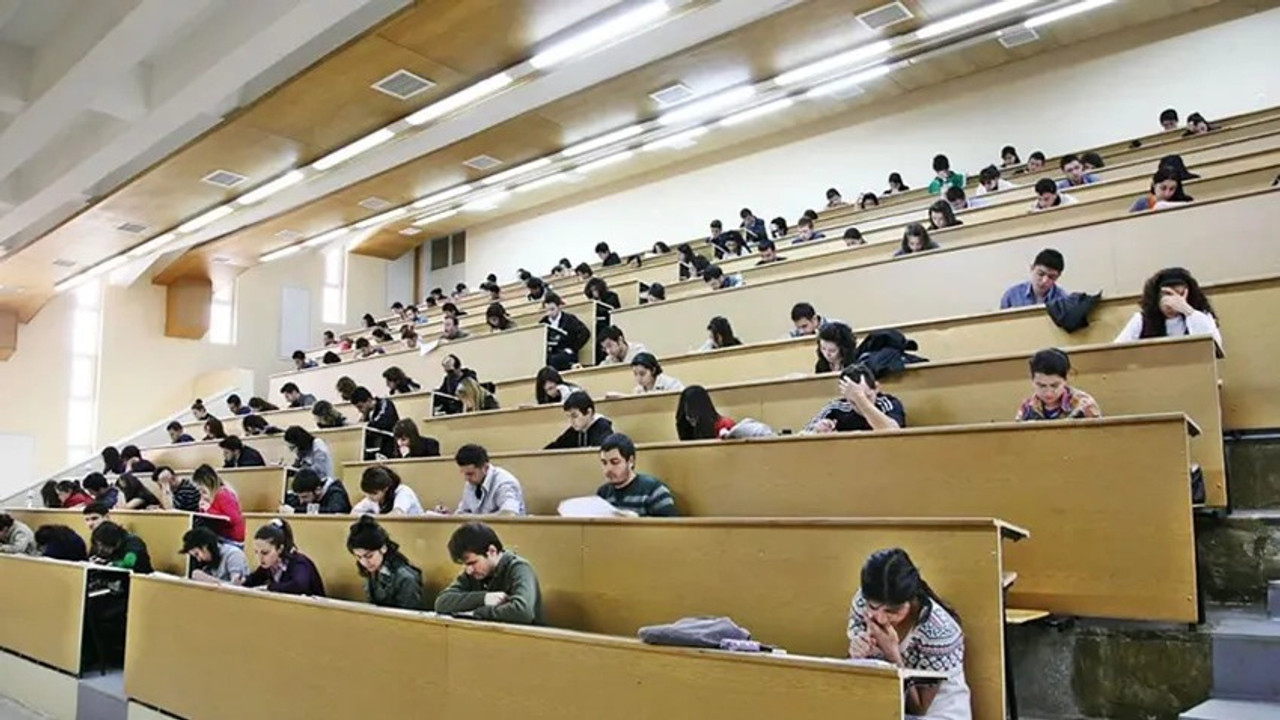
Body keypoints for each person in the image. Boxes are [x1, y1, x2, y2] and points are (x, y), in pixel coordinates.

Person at [847, 548, 970, 719]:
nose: (880, 618)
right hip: (886, 706)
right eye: (873, 607)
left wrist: (892, 655)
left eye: (892, 611)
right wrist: (856, 656)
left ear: (910, 601)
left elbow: (918, 708)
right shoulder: (862, 602)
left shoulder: (939, 632)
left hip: (935, 714)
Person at [434, 522, 543, 624]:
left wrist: (476, 613)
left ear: (492, 551)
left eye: (472, 563)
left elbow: (522, 612)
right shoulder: (472, 573)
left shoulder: (519, 567)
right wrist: (485, 598)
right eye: (465, 565)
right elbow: (442, 603)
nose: (469, 570)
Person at [1114, 267, 1223, 352]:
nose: (1172, 301)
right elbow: (1116, 351)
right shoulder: (1142, 320)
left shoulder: (1200, 316)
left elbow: (1214, 347)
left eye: (1180, 294)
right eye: (1167, 294)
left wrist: (1187, 310)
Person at [347, 516, 424, 610]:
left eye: (369, 556)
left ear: (383, 548)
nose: (364, 562)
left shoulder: (406, 578)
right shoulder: (369, 570)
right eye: (359, 557)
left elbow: (408, 615)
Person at [806, 364, 905, 433]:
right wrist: (818, 431)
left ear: (876, 388)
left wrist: (860, 399)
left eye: (868, 396)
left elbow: (894, 434)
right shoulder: (835, 408)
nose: (859, 407)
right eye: (853, 402)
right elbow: (804, 436)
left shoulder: (888, 404)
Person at [595, 434, 677, 517]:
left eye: (615, 462)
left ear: (630, 461)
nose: (608, 469)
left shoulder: (653, 490)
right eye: (604, 463)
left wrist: (637, 520)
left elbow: (671, 523)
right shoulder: (603, 494)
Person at [244, 519, 326, 596]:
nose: (259, 557)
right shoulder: (268, 563)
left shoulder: (299, 563)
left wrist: (269, 588)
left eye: (265, 553)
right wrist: (241, 581)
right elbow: (253, 580)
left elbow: (299, 585)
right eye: (256, 552)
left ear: (280, 549)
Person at [1016, 349, 1102, 421]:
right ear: (1032, 379)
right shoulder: (1027, 407)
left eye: (1055, 386)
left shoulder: (1084, 404)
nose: (1048, 393)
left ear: (1066, 379)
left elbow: (1098, 434)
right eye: (1041, 386)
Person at [447, 444, 526, 516]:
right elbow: (462, 513)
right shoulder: (472, 483)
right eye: (464, 473)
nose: (466, 478)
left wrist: (473, 518)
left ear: (485, 468)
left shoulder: (505, 483)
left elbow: (508, 514)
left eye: (470, 474)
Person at [192, 464, 246, 544]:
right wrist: (202, 509)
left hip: (232, 537)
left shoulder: (224, 494)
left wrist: (209, 509)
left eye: (202, 489)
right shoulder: (209, 495)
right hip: (220, 534)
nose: (200, 492)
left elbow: (233, 519)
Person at [999, 249, 1068, 309]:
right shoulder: (1012, 295)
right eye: (1040, 274)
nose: (1044, 281)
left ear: (1058, 276)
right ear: (1032, 268)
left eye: (1051, 277)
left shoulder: (1063, 300)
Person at [545, 391, 614, 450]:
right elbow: (555, 447)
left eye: (574, 416)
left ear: (589, 412)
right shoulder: (574, 430)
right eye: (569, 417)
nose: (571, 421)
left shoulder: (603, 429)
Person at [541, 292, 591, 371]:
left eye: (552, 309)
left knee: (556, 360)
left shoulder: (569, 319)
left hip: (567, 352)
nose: (549, 313)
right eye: (547, 310)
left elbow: (585, 333)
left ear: (559, 307)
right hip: (550, 353)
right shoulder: (543, 322)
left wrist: (573, 348)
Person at [182, 526, 249, 585]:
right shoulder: (210, 561)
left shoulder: (233, 554)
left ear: (205, 546)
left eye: (197, 554)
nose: (199, 559)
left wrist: (210, 580)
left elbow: (237, 587)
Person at [352, 465, 424, 516]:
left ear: (385, 488)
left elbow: (396, 515)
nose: (369, 497)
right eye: (367, 493)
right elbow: (354, 513)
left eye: (374, 493)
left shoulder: (403, 492)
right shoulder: (373, 497)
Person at [282, 467, 352, 515]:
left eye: (304, 497)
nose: (301, 501)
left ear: (318, 490)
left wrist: (297, 511)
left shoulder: (336, 494)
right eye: (299, 497)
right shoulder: (307, 494)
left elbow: (334, 512)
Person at [1129, 165, 1194, 212]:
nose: (1167, 193)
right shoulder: (1142, 203)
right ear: (1154, 185)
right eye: (1163, 188)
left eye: (1172, 189)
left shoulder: (1182, 200)